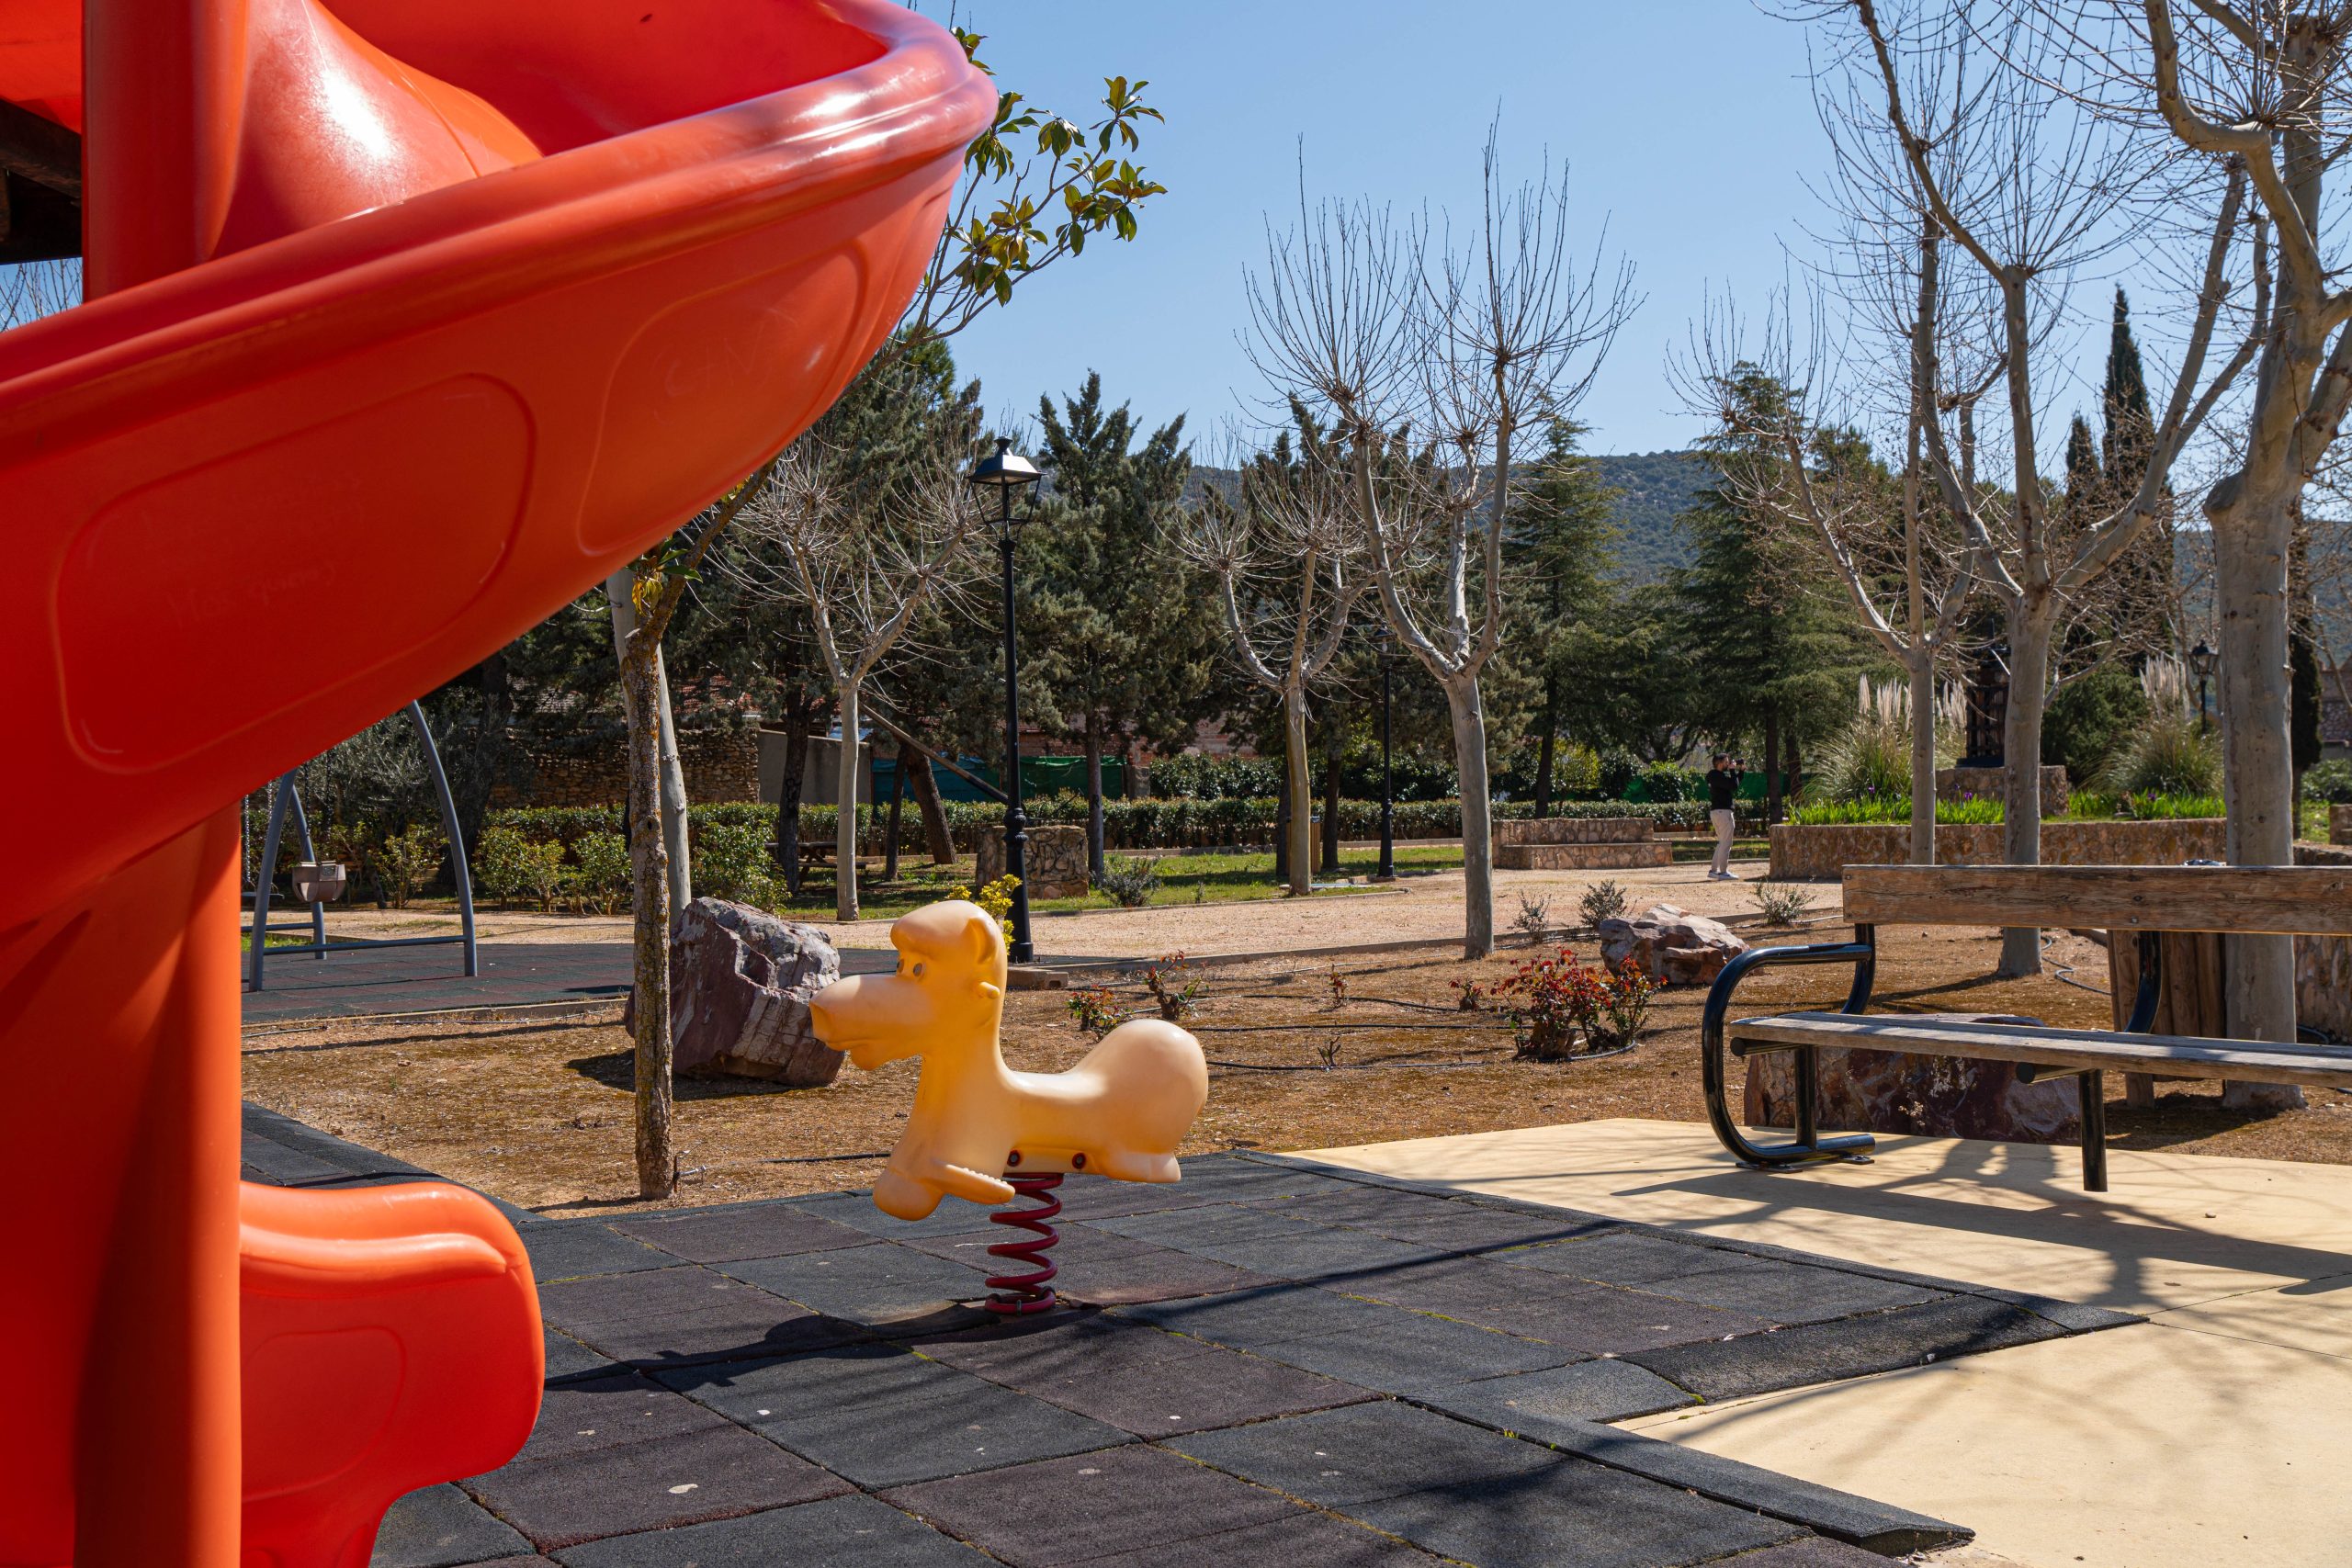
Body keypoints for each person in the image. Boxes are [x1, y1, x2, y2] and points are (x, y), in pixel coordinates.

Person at [1705, 754, 1742, 879]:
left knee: (1722, 842)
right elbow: (1733, 786)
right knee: (1726, 843)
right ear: (1720, 763)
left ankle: (1714, 871)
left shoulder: (1716, 777)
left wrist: (1741, 772)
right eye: (1727, 762)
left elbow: (1734, 783)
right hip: (1723, 812)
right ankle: (1723, 872)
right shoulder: (1716, 776)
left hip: (1717, 812)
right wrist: (1732, 770)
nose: (1728, 764)